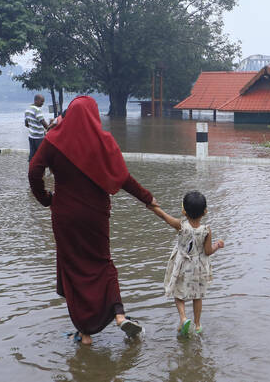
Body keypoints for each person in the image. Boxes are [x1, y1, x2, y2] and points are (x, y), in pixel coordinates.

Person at [28, 96, 160, 345]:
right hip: (96, 215)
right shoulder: (104, 142)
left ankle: (85, 333)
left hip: (65, 214)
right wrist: (147, 198)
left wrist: (46, 199)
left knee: (72, 268)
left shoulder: (54, 140)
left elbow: (34, 171)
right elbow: (123, 178)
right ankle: (119, 315)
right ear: (94, 116)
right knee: (103, 263)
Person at [150, 191, 225, 337]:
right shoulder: (206, 230)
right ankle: (197, 325)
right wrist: (217, 245)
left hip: (183, 266)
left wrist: (152, 207)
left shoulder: (181, 225)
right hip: (199, 268)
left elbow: (164, 217)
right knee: (197, 297)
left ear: (184, 210)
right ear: (205, 211)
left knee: (179, 294)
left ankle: (183, 318)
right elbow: (208, 251)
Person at [24, 94, 49, 161]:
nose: (42, 104)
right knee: (41, 155)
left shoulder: (27, 109)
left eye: (43, 102)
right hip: (39, 137)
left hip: (31, 136)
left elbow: (26, 124)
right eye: (41, 101)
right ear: (36, 100)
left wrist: (32, 127)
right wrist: (50, 129)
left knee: (32, 154)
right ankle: (41, 170)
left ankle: (32, 169)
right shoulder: (37, 110)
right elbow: (43, 122)